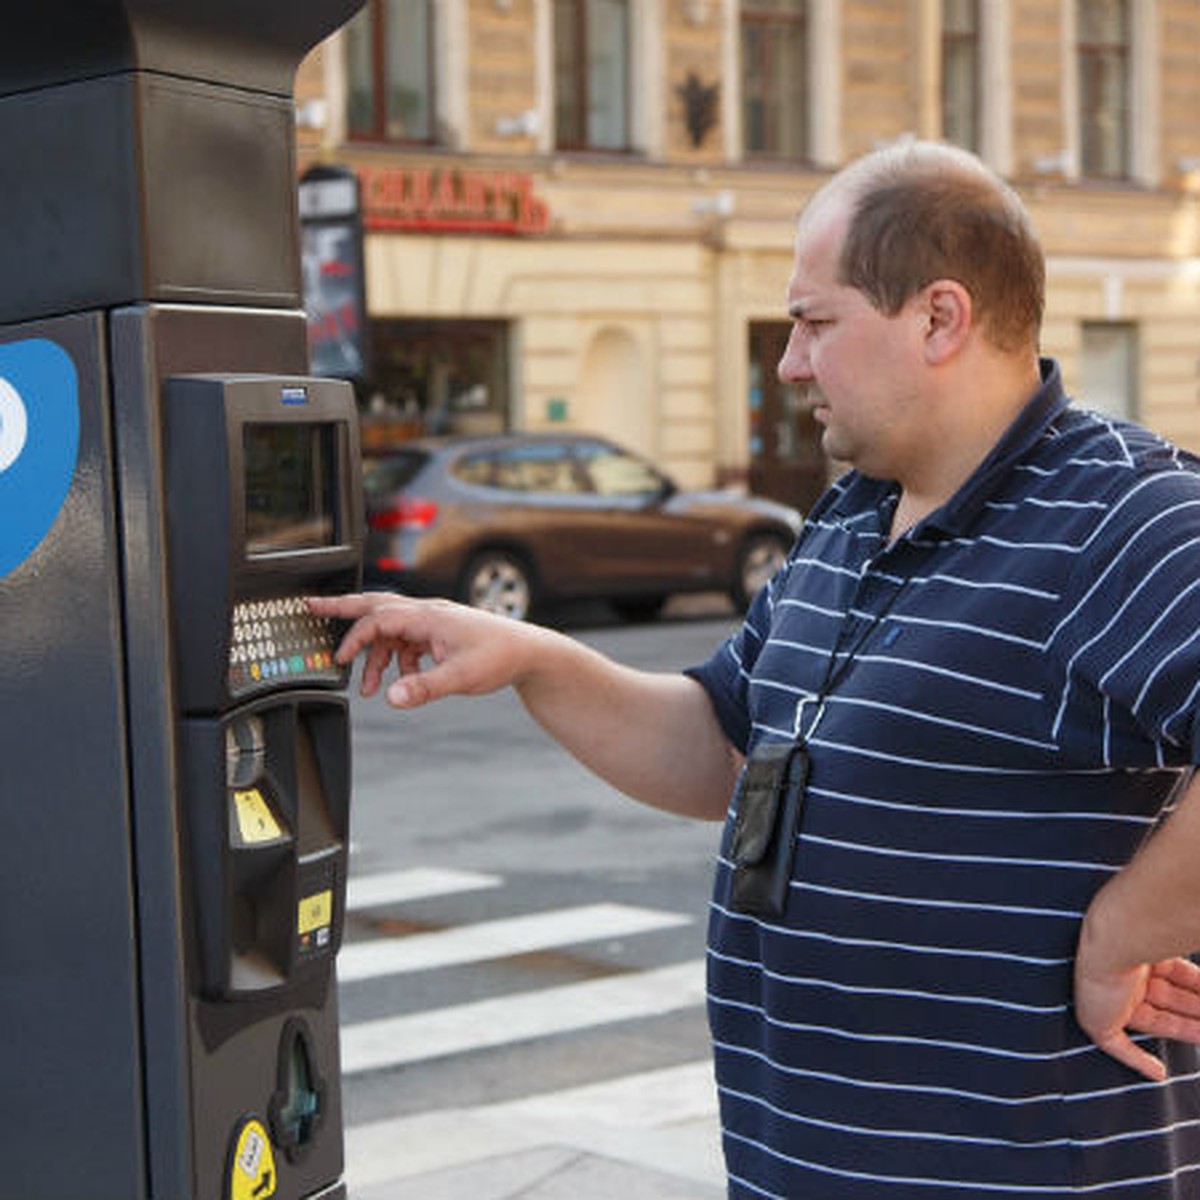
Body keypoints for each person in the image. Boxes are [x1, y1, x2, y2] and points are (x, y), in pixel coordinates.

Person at [311, 139, 1200, 1197]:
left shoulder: (1124, 512)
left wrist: (1125, 930)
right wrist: (527, 658)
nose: (788, 362)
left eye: (816, 323)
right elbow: (722, 746)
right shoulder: (853, 511)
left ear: (939, 318)